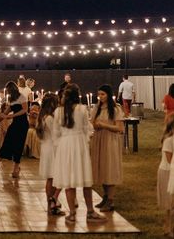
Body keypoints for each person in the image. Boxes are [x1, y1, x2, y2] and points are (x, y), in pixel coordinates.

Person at [52, 84, 107, 224]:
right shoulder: (82, 109)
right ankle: (90, 212)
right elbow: (86, 128)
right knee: (85, 180)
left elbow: (55, 133)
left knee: (69, 182)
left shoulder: (58, 111)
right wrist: (86, 139)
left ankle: (72, 214)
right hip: (78, 144)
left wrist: (61, 145)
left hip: (64, 146)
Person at [91, 84, 124, 212]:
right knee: (102, 168)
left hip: (110, 141)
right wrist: (95, 125)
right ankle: (105, 197)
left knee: (109, 168)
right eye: (99, 94)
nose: (100, 97)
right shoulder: (97, 108)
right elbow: (92, 122)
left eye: (103, 94)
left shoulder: (115, 109)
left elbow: (119, 128)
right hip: (99, 140)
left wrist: (104, 126)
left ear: (108, 95)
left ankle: (110, 200)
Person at [0, 81, 29, 179]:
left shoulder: (21, 97)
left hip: (22, 123)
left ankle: (16, 168)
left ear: (12, 89)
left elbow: (25, 110)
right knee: (8, 141)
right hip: (15, 123)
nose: (8, 92)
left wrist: (12, 115)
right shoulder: (12, 99)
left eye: (9, 90)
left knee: (18, 144)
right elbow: (6, 112)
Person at [35, 93, 65, 216]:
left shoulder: (42, 116)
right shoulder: (50, 118)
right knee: (55, 177)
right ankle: (52, 202)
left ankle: (51, 203)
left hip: (47, 148)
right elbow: (56, 134)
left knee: (51, 177)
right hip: (52, 148)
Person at [158, 114, 174, 236]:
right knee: (169, 203)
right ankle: (167, 227)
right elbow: (170, 160)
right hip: (167, 172)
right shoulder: (169, 141)